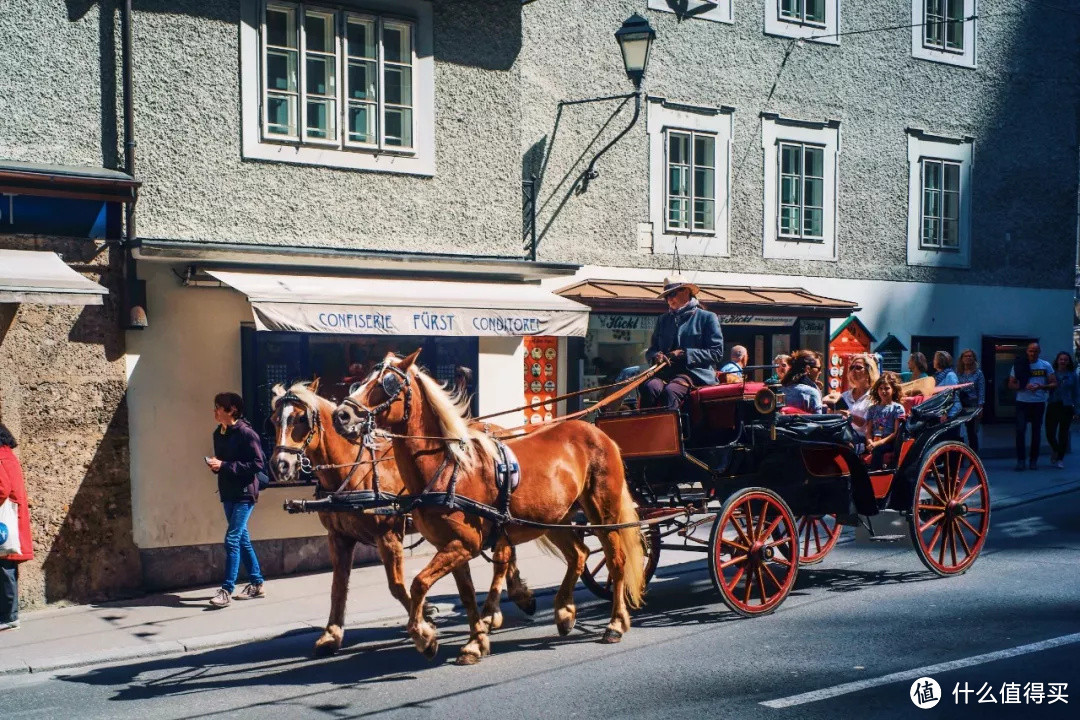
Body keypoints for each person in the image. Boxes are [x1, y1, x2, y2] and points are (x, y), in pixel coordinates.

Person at [207, 392, 267, 607]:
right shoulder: (219, 433)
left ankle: (226, 590)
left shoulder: (246, 433)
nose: (215, 411)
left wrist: (223, 466)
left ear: (231, 410)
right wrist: (217, 465)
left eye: (218, 407)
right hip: (228, 492)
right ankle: (257, 583)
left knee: (231, 540)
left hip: (244, 493)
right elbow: (226, 463)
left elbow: (257, 464)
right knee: (242, 539)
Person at [641, 274, 724, 410]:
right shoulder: (663, 320)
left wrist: (685, 354)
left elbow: (717, 353)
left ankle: (676, 430)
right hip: (666, 374)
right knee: (649, 387)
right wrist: (656, 356)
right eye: (666, 297)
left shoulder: (707, 318)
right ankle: (646, 429)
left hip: (695, 374)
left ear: (686, 292)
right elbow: (651, 351)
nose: (669, 299)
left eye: (672, 294)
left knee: (671, 391)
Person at [0, 423, 32, 631]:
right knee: (6, 566)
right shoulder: (7, 454)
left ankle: (10, 616)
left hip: (4, 520)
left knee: (5, 567)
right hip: (11, 519)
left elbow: (2, 488)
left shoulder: (0, 457)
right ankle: (8, 614)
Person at [1008, 342, 1056, 471]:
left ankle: (1033, 460)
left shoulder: (1045, 365)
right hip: (1022, 402)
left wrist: (1041, 387)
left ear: (1039, 352)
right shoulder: (1019, 365)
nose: (1032, 353)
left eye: (1035, 351)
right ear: (1027, 351)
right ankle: (1021, 460)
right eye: (1030, 351)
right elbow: (1011, 385)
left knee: (1036, 432)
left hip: (1038, 402)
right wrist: (1024, 386)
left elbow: (1054, 383)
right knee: (1020, 431)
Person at [824, 353, 879, 444]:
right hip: (843, 435)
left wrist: (848, 415)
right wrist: (832, 412)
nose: (853, 371)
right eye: (851, 368)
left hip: (862, 438)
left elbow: (864, 423)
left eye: (858, 368)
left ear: (869, 371)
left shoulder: (875, 396)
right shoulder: (845, 395)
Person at [865, 372, 907, 471]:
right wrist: (870, 442)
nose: (883, 391)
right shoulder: (872, 409)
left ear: (893, 390)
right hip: (873, 441)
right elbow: (868, 431)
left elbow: (895, 433)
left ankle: (875, 476)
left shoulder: (897, 408)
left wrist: (877, 444)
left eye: (887, 388)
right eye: (881, 388)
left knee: (878, 450)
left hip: (889, 442)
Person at [1046, 351, 1078, 469]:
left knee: (1063, 433)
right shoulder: (1052, 373)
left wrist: (1077, 410)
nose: (1063, 361)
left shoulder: (1073, 375)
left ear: (1069, 361)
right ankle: (1056, 449)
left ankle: (1060, 458)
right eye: (1061, 359)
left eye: (1065, 359)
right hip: (1053, 404)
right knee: (1050, 433)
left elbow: (1076, 393)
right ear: (1057, 360)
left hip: (1066, 406)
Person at [956, 349, 986, 452]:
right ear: (962, 359)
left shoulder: (978, 373)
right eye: (966, 356)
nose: (968, 358)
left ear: (974, 358)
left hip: (973, 403)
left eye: (970, 356)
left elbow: (981, 391)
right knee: (960, 431)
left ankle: (974, 458)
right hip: (960, 403)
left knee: (972, 432)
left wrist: (980, 407)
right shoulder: (959, 373)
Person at [932, 351, 963, 420]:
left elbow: (951, 395)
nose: (933, 361)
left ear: (940, 361)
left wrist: (945, 412)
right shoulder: (937, 375)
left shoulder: (950, 375)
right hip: (940, 411)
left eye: (935, 359)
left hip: (950, 413)